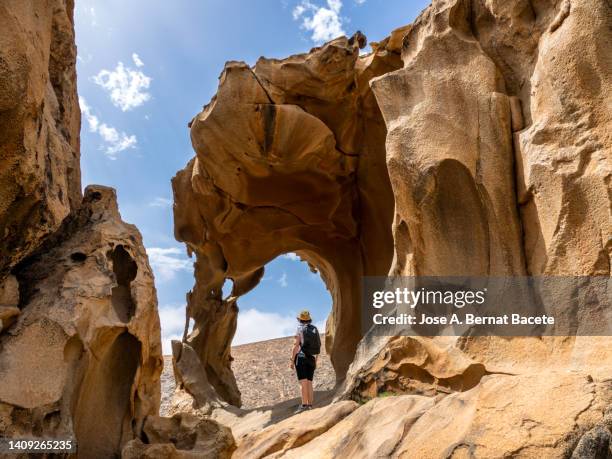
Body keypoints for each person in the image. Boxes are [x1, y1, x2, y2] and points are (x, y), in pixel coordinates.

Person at [290, 309, 321, 413]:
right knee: (309, 383)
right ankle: (311, 405)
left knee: (303, 383)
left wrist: (292, 360)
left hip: (302, 358)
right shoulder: (314, 329)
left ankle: (304, 405)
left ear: (300, 320)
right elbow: (317, 347)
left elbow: (296, 345)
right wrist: (315, 361)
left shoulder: (299, 328)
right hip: (312, 359)